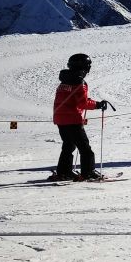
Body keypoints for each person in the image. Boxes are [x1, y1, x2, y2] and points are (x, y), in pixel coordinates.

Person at [53, 53, 108, 181]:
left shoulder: (64, 81)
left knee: (68, 146)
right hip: (72, 119)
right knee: (85, 148)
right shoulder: (79, 82)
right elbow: (82, 103)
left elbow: (73, 99)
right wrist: (98, 105)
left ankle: (64, 172)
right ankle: (88, 172)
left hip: (60, 119)